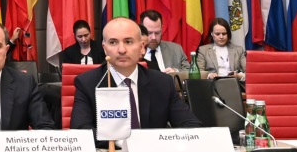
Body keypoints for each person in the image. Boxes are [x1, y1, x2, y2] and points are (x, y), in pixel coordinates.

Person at [69, 18, 201, 138]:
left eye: (128, 42)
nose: (121, 50)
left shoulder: (162, 83)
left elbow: (191, 126)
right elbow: (81, 131)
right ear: (105, 49)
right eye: (113, 42)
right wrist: (122, 140)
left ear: (142, 47)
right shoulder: (87, 83)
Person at [138, 9, 191, 76]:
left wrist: (176, 72)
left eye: (157, 33)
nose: (154, 37)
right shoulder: (134, 50)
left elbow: (190, 72)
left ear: (162, 28)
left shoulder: (176, 49)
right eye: (149, 33)